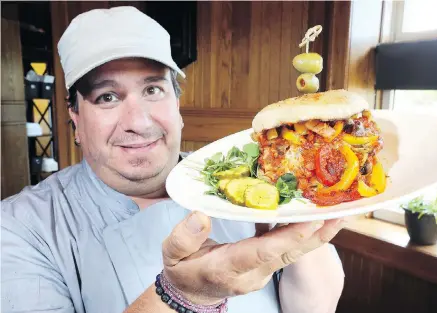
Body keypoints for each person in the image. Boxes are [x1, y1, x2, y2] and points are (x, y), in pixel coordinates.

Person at [1, 6, 346, 313]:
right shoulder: (21, 227)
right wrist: (183, 296)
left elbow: (314, 306)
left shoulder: (250, 177)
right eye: (107, 96)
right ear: (75, 121)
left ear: (177, 106)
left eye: (153, 90)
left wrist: (300, 214)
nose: (138, 122)